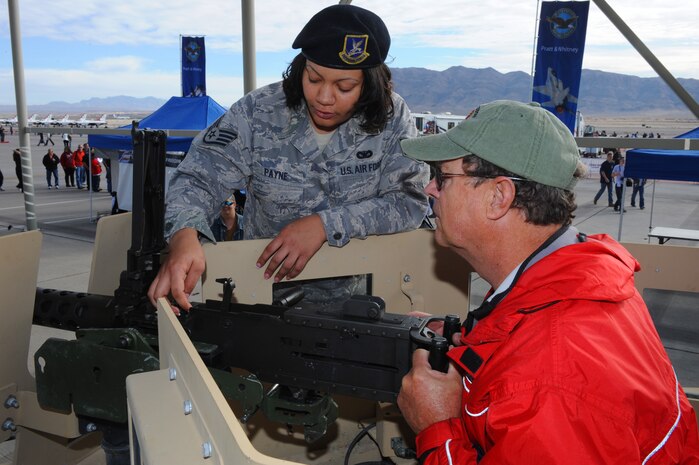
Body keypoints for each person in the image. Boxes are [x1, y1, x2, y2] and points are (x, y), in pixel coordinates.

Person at [396, 100, 699, 464]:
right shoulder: (569, 281)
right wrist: (471, 343)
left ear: (498, 196)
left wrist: (437, 428)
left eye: (443, 177)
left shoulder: (551, 381)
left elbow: (546, 382)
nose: (430, 189)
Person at [147, 4, 429, 311]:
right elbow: (197, 178)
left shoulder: (391, 116)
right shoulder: (259, 111)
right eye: (314, 78)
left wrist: (324, 225)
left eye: (344, 87)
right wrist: (184, 234)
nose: (324, 97)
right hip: (260, 296)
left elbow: (409, 201)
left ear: (370, 86)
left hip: (355, 302)